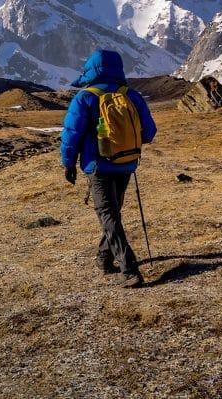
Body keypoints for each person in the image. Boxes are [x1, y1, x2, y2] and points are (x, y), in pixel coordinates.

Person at [60, 50, 157, 288]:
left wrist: (68, 163)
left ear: (91, 69)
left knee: (108, 215)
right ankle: (104, 258)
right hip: (126, 163)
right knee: (112, 214)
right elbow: (150, 132)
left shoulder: (85, 98)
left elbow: (71, 135)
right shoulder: (131, 95)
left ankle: (129, 269)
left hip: (98, 166)